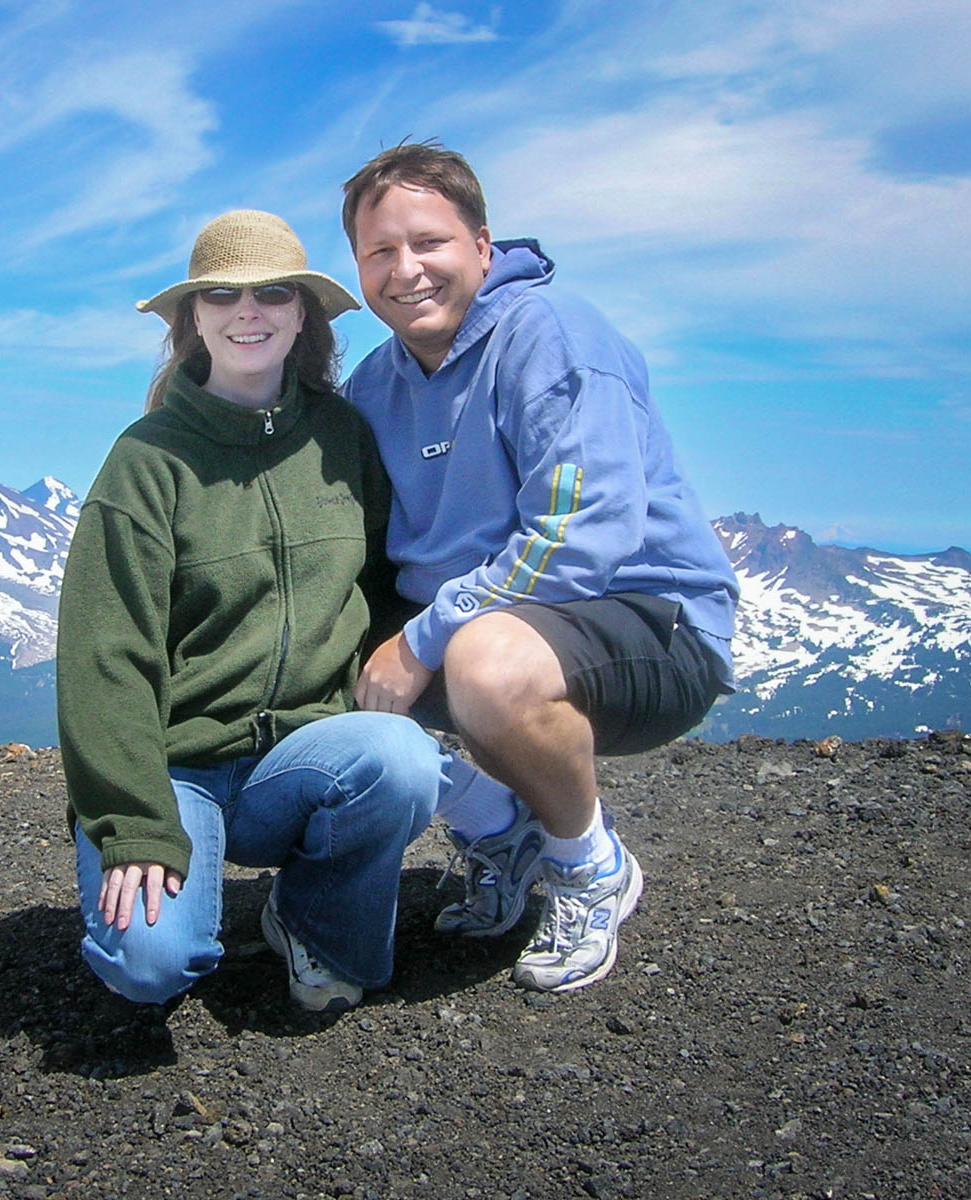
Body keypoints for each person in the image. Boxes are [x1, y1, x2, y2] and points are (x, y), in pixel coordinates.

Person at [339, 141, 739, 993]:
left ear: (483, 247)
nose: (406, 269)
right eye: (380, 252)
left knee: (485, 661)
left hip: (649, 624)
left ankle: (590, 865)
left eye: (430, 242)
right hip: (501, 622)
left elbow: (583, 533)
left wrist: (422, 641)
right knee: (304, 640)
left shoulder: (551, 337)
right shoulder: (376, 386)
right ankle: (501, 827)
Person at [56, 209, 448, 1013]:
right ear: (191, 319)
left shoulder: (344, 438)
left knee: (402, 759)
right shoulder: (146, 462)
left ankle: (315, 924)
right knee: (151, 967)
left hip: (300, 763)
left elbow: (380, 590)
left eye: (272, 292)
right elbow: (105, 657)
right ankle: (156, 879)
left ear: (301, 313)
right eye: (222, 295)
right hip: (176, 770)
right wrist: (132, 821)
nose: (248, 313)